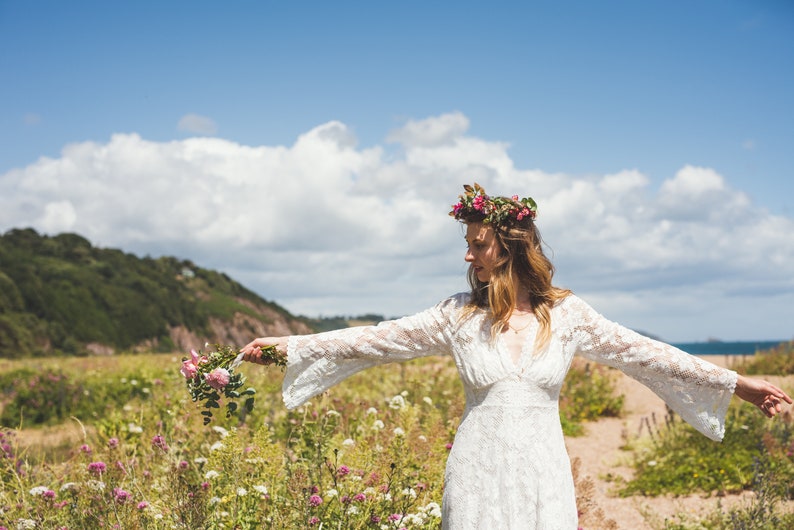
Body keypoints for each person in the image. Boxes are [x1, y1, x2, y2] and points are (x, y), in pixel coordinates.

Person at [241, 183, 791, 529]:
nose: (469, 252)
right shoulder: (456, 314)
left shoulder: (568, 315)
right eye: (470, 243)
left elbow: (646, 354)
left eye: (478, 243)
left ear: (509, 247)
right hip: (476, 471)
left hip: (541, 470)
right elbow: (375, 338)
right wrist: (289, 348)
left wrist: (736, 384)